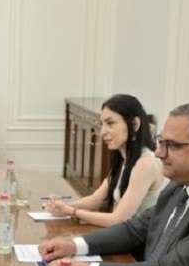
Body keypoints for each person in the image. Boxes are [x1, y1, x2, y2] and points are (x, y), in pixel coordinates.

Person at [40, 102, 189, 266]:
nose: (159, 153)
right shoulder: (182, 181)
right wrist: (74, 245)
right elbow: (136, 229)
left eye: (172, 145)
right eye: (160, 141)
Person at [45, 94, 164, 227]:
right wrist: (62, 206)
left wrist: (71, 211)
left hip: (138, 238)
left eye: (110, 123)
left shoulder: (146, 164)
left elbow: (118, 220)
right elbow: (96, 199)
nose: (102, 132)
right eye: (102, 124)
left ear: (135, 124)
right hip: (123, 234)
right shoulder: (123, 158)